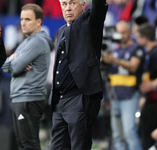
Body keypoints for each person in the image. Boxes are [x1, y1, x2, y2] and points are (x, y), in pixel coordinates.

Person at [48, 0, 108, 149]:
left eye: (72, 3)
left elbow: (99, 6)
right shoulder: (61, 30)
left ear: (83, 5)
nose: (68, 8)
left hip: (79, 98)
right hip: (59, 100)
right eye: (64, 4)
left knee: (79, 146)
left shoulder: (90, 23)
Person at [2, 4, 54, 150]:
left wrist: (14, 61)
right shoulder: (25, 42)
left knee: (29, 145)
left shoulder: (37, 41)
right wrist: (14, 61)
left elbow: (14, 67)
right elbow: (6, 66)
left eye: (28, 19)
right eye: (22, 19)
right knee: (23, 144)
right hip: (22, 98)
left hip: (28, 98)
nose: (23, 23)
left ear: (39, 22)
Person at [103, 20, 144, 150]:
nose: (122, 35)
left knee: (129, 132)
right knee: (117, 135)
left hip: (129, 96)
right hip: (115, 96)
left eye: (124, 32)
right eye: (119, 33)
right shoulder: (114, 50)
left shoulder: (136, 48)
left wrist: (114, 60)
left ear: (130, 32)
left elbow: (133, 67)